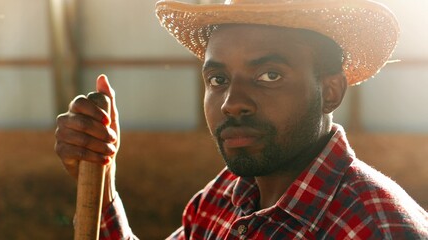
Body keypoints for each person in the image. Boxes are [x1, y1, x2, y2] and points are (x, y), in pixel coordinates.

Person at [55, 0, 428, 239]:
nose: (233, 104)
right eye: (218, 80)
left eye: (269, 76)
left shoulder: (375, 228)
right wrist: (100, 181)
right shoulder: (221, 199)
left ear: (330, 92)